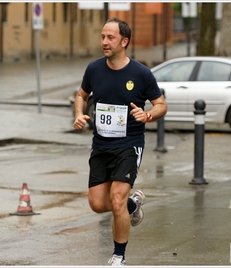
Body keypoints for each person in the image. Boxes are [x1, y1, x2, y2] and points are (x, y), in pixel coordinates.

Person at [73, 17, 167, 266]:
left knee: (115, 201)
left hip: (129, 144)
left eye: (110, 37)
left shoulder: (141, 73)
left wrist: (146, 115)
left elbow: (161, 105)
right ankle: (132, 205)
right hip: (101, 145)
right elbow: (81, 95)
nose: (104, 42)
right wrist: (79, 114)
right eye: (103, 37)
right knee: (96, 203)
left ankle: (118, 257)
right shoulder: (94, 69)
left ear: (124, 41)